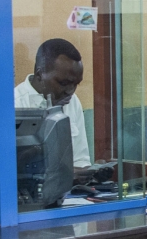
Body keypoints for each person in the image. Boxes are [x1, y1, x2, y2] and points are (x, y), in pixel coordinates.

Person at [14, 39, 91, 170]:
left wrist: (89, 173)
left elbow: (80, 159)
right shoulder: (16, 104)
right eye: (63, 83)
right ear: (40, 75)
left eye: (76, 84)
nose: (71, 91)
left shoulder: (72, 101)